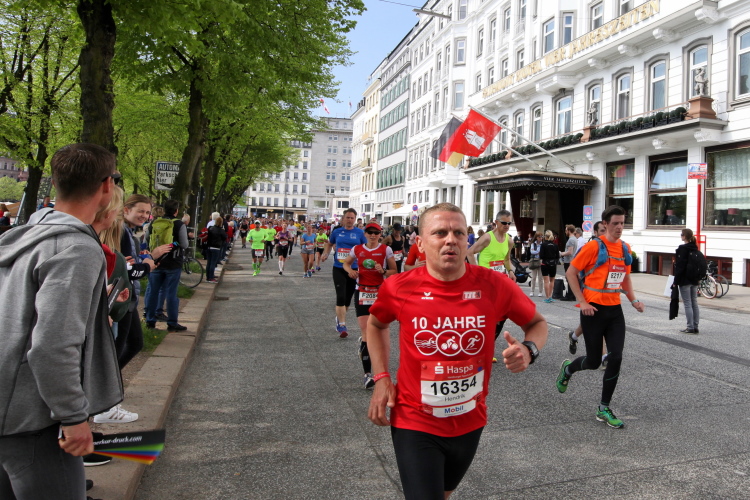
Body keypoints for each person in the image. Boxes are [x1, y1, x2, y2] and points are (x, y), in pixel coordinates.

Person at [366, 203, 548, 499]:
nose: (450, 239)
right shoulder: (399, 287)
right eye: (440, 232)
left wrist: (529, 350)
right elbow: (376, 325)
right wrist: (381, 378)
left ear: (466, 240)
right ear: (420, 243)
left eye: (458, 233)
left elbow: (537, 323)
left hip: (470, 420)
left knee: (444, 492)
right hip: (415, 420)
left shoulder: (494, 285)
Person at [0, 143, 124, 499]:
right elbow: (52, 345)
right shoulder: (77, 248)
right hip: (31, 418)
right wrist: (73, 417)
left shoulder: (20, 235)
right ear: (106, 186)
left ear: (55, 183)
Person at [558, 205, 645, 429]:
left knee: (615, 357)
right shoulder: (594, 247)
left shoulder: (625, 248)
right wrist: (582, 302)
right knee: (594, 361)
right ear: (605, 224)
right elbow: (571, 272)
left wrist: (634, 300)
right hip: (593, 311)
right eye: (615, 223)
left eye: (622, 223)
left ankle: (604, 408)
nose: (619, 227)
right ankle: (568, 369)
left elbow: (625, 277)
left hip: (614, 311)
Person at [342, 221, 397, 389]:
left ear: (380, 234)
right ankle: (367, 375)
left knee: (379, 331)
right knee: (366, 331)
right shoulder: (357, 249)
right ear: (365, 234)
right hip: (362, 292)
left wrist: (384, 271)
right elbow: (346, 263)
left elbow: (394, 271)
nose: (373, 235)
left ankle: (372, 357)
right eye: (370, 232)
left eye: (376, 232)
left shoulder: (386, 250)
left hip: (379, 293)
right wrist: (350, 271)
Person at [568, 221, 609, 367]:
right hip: (589, 292)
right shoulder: (589, 247)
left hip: (606, 294)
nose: (605, 233)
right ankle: (604, 357)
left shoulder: (612, 248)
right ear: (595, 233)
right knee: (598, 323)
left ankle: (573, 336)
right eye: (602, 231)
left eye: (606, 230)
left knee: (590, 322)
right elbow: (575, 269)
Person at [144, 199, 189, 332]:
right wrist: (173, 244)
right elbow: (184, 244)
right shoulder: (179, 224)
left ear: (163, 210)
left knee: (153, 292)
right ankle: (172, 322)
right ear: (176, 211)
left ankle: (150, 321)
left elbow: (146, 240)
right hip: (173, 263)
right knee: (171, 293)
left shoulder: (154, 223)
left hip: (156, 262)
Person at [321, 208, 367, 338]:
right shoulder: (337, 232)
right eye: (348, 217)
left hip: (354, 269)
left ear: (355, 219)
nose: (350, 220)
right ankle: (342, 325)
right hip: (339, 267)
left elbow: (365, 249)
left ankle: (339, 318)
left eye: (352, 218)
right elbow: (329, 244)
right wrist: (325, 254)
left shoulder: (360, 233)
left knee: (347, 299)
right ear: (343, 218)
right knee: (340, 296)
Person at [468, 209, 516, 283]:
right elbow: (469, 252)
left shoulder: (509, 240)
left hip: (500, 278)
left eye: (509, 223)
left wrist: (510, 271)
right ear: (496, 222)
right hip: (485, 279)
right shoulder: (487, 238)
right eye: (504, 223)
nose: (507, 225)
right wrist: (476, 272)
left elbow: (506, 259)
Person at [673, 228, 700, 334]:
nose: (681, 236)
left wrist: (675, 281)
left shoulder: (683, 249)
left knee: (687, 303)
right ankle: (695, 326)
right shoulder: (695, 248)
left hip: (685, 280)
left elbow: (680, 267)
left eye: (681, 234)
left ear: (684, 236)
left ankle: (690, 327)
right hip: (694, 279)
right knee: (694, 303)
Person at [206, 217, 227, 284]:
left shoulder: (211, 228)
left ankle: (208, 276)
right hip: (216, 248)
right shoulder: (221, 230)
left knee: (209, 263)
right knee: (213, 263)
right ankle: (211, 277)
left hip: (209, 247)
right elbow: (225, 237)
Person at [559, 224, 578, 301]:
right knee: (572, 278)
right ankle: (572, 295)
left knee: (569, 278)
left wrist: (561, 253)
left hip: (569, 261)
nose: (565, 232)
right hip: (572, 261)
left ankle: (569, 295)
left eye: (566, 230)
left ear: (569, 231)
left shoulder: (571, 240)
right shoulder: (574, 239)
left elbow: (570, 252)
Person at [528, 232, 544, 297]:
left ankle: (540, 291)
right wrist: (538, 252)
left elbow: (542, 252)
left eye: (541, 237)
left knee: (540, 277)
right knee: (533, 277)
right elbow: (532, 252)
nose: (541, 238)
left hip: (540, 260)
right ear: (536, 237)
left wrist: (536, 252)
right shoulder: (533, 244)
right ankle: (532, 291)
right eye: (539, 237)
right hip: (534, 261)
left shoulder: (543, 244)